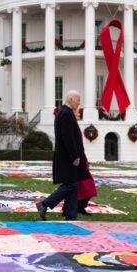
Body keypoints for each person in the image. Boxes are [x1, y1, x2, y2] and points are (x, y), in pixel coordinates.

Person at [36, 90, 91, 221]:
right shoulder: (66, 113)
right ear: (71, 99)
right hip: (67, 157)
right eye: (78, 99)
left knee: (72, 184)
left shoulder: (65, 112)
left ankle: (71, 215)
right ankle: (44, 204)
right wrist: (75, 156)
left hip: (66, 156)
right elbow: (68, 138)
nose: (79, 103)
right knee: (71, 184)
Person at [62, 108, 97, 216]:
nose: (79, 114)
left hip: (80, 159)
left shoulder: (75, 125)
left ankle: (79, 206)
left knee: (86, 186)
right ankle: (72, 207)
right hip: (76, 160)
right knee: (82, 186)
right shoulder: (71, 125)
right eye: (77, 113)